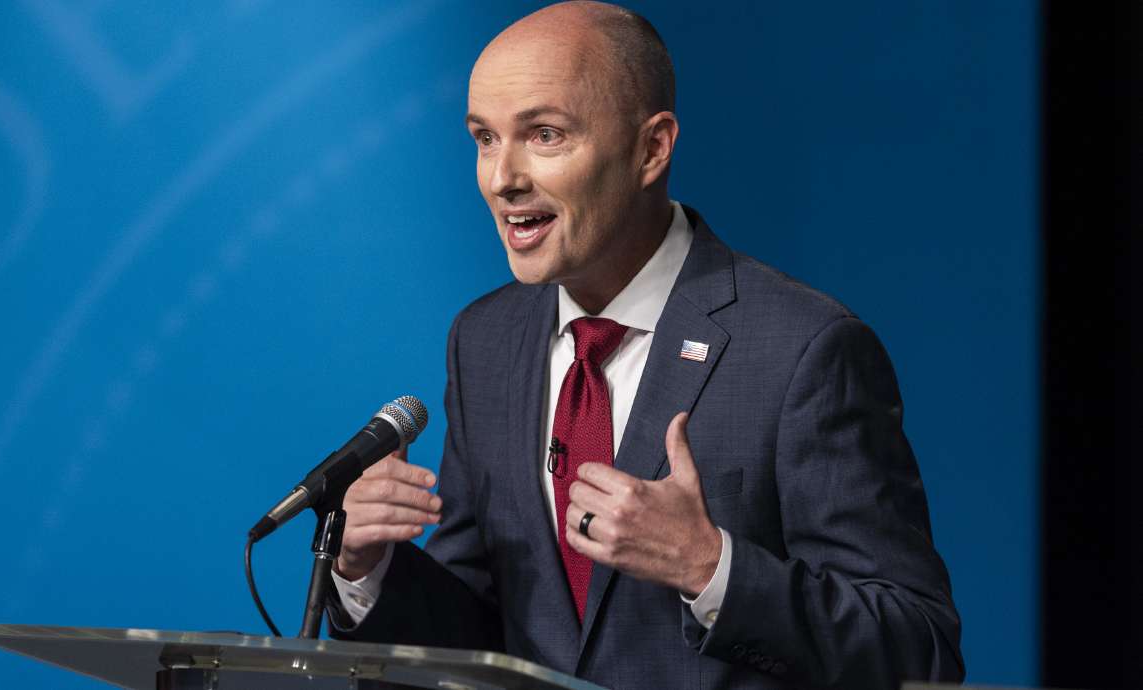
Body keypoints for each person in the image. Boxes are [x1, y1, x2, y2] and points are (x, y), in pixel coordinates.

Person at [324, 2, 964, 688]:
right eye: (484, 137)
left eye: (543, 134)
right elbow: (484, 632)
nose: (501, 177)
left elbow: (915, 646)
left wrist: (709, 567)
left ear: (651, 148)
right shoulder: (484, 341)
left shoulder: (802, 350)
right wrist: (367, 569)